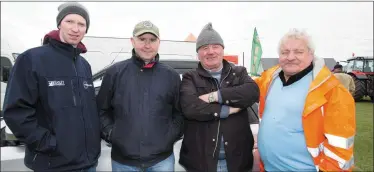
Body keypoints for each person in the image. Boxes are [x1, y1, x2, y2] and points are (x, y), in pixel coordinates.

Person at [2, 2, 100, 171]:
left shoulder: (84, 65)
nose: (75, 29)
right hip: (53, 163)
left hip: (88, 163)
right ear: (59, 23)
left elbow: (88, 112)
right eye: (69, 21)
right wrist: (48, 143)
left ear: (86, 29)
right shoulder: (32, 59)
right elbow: (16, 112)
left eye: (81, 24)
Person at [255, 29, 356, 171]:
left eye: (298, 52)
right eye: (285, 52)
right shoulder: (269, 79)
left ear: (311, 54)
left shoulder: (332, 90)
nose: (290, 57)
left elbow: (340, 149)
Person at [97, 20, 183, 172]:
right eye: (142, 39)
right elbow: (101, 111)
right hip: (123, 161)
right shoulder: (115, 73)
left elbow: (180, 113)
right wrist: (112, 134)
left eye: (152, 40)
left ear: (159, 42)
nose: (147, 45)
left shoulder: (172, 76)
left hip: (162, 160)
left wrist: (169, 136)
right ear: (132, 41)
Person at [179, 22, 260, 172]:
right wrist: (226, 110)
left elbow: (252, 92)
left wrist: (216, 96)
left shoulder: (239, 73)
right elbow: (190, 107)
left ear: (222, 49)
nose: (210, 52)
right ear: (198, 53)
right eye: (205, 48)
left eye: (215, 46)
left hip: (237, 162)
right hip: (201, 163)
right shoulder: (190, 77)